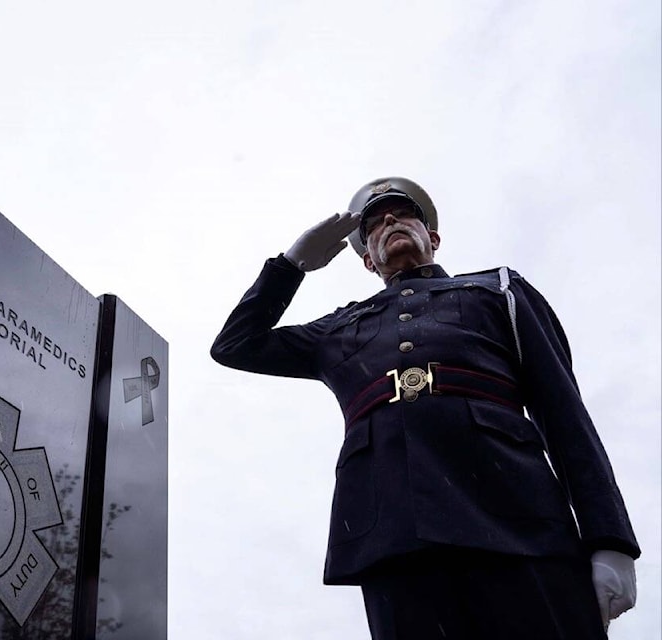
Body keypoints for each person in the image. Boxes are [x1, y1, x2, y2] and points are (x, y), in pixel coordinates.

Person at [210, 177, 640, 640]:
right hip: (393, 533)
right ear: (367, 260)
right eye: (373, 224)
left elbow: (564, 415)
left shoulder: (498, 291)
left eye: (402, 213)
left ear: (432, 238)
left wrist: (609, 541)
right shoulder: (337, 328)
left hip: (517, 519)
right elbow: (236, 345)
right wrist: (291, 266)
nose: (388, 221)